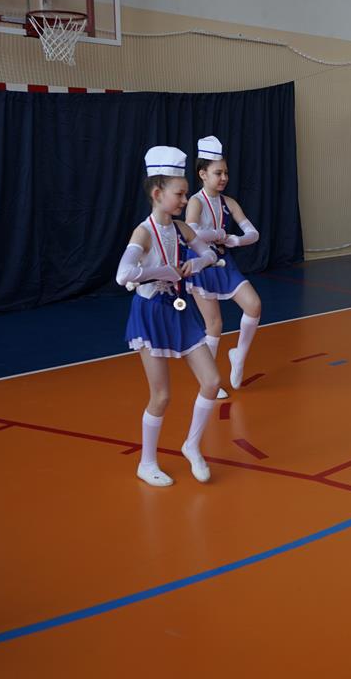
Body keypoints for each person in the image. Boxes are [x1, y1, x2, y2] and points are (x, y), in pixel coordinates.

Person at [115, 146, 223, 487]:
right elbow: (123, 274)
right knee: (161, 396)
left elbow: (210, 255)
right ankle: (146, 463)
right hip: (150, 313)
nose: (184, 199)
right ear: (157, 194)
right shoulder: (143, 233)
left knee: (212, 381)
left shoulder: (180, 229)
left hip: (180, 308)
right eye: (179, 194)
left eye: (186, 193)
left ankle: (192, 445)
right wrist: (161, 271)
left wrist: (196, 263)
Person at [183, 135, 261, 395]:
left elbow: (253, 234)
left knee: (254, 305)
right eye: (218, 173)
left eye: (226, 172)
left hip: (224, 262)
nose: (224, 177)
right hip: (201, 264)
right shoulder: (195, 201)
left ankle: (239, 355)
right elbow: (192, 232)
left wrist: (235, 240)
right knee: (214, 325)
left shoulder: (229, 202)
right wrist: (219, 234)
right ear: (203, 174)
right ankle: (210, 381)